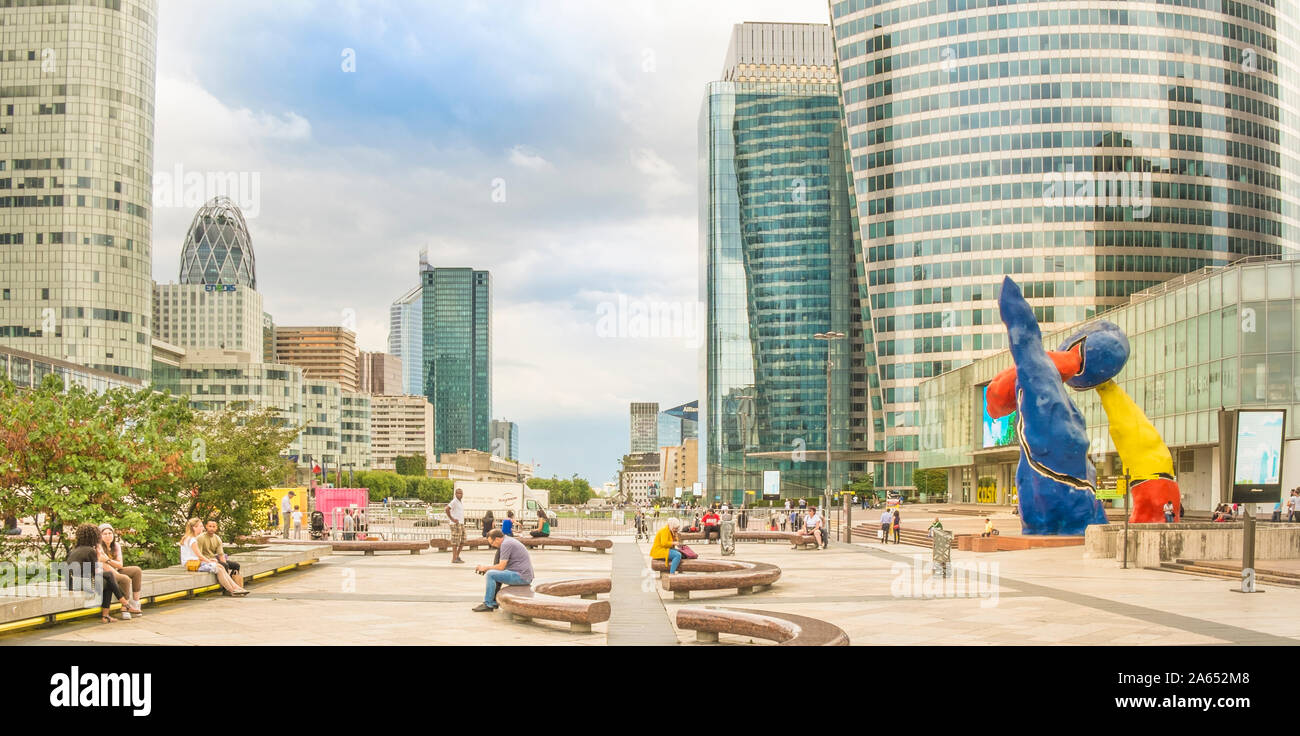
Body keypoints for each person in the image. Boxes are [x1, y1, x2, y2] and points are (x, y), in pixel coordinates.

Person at [67, 524, 137, 622]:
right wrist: (100, 559)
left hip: (71, 583)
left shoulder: (74, 550)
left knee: (108, 579)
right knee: (109, 577)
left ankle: (109, 614)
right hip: (81, 583)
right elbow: (95, 571)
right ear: (93, 537)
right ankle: (123, 604)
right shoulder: (90, 551)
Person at [180, 518, 248, 596]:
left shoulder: (188, 538)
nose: (202, 528)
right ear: (194, 527)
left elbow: (198, 556)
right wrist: (209, 561)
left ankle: (236, 588)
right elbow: (199, 556)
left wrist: (211, 560)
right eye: (201, 526)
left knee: (221, 567)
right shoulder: (192, 540)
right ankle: (232, 590)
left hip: (195, 563)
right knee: (219, 569)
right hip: (193, 565)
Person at [472, 530, 535, 612]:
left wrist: (485, 568)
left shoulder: (506, 544)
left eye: (492, 543)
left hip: (522, 576)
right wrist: (488, 568)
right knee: (492, 573)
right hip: (523, 575)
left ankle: (488, 604)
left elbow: (501, 567)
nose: (493, 546)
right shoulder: (508, 541)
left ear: (497, 539)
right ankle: (493, 601)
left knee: (490, 574)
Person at [97, 523, 144, 614]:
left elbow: (120, 565)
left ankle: (135, 602)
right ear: (100, 536)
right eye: (105, 534)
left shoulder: (116, 545)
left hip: (115, 570)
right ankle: (125, 608)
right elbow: (103, 565)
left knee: (137, 570)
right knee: (124, 579)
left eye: (110, 533)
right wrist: (114, 567)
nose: (108, 536)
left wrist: (108, 560)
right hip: (105, 574)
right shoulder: (99, 547)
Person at [198, 519, 243, 591]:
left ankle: (235, 584)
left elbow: (221, 555)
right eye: (210, 526)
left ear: (216, 528)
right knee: (225, 565)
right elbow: (198, 554)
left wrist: (225, 564)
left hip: (214, 559)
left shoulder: (217, 538)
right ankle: (227, 589)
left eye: (214, 526)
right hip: (205, 560)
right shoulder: (201, 538)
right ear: (206, 526)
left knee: (236, 565)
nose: (211, 528)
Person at [445, 487, 467, 564]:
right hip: (455, 524)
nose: (459, 494)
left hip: (461, 523)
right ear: (455, 494)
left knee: (463, 540)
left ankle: (457, 556)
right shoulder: (454, 501)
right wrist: (452, 519)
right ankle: (454, 558)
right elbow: (447, 509)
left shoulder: (460, 502)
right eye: (458, 493)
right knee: (455, 542)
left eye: (461, 493)